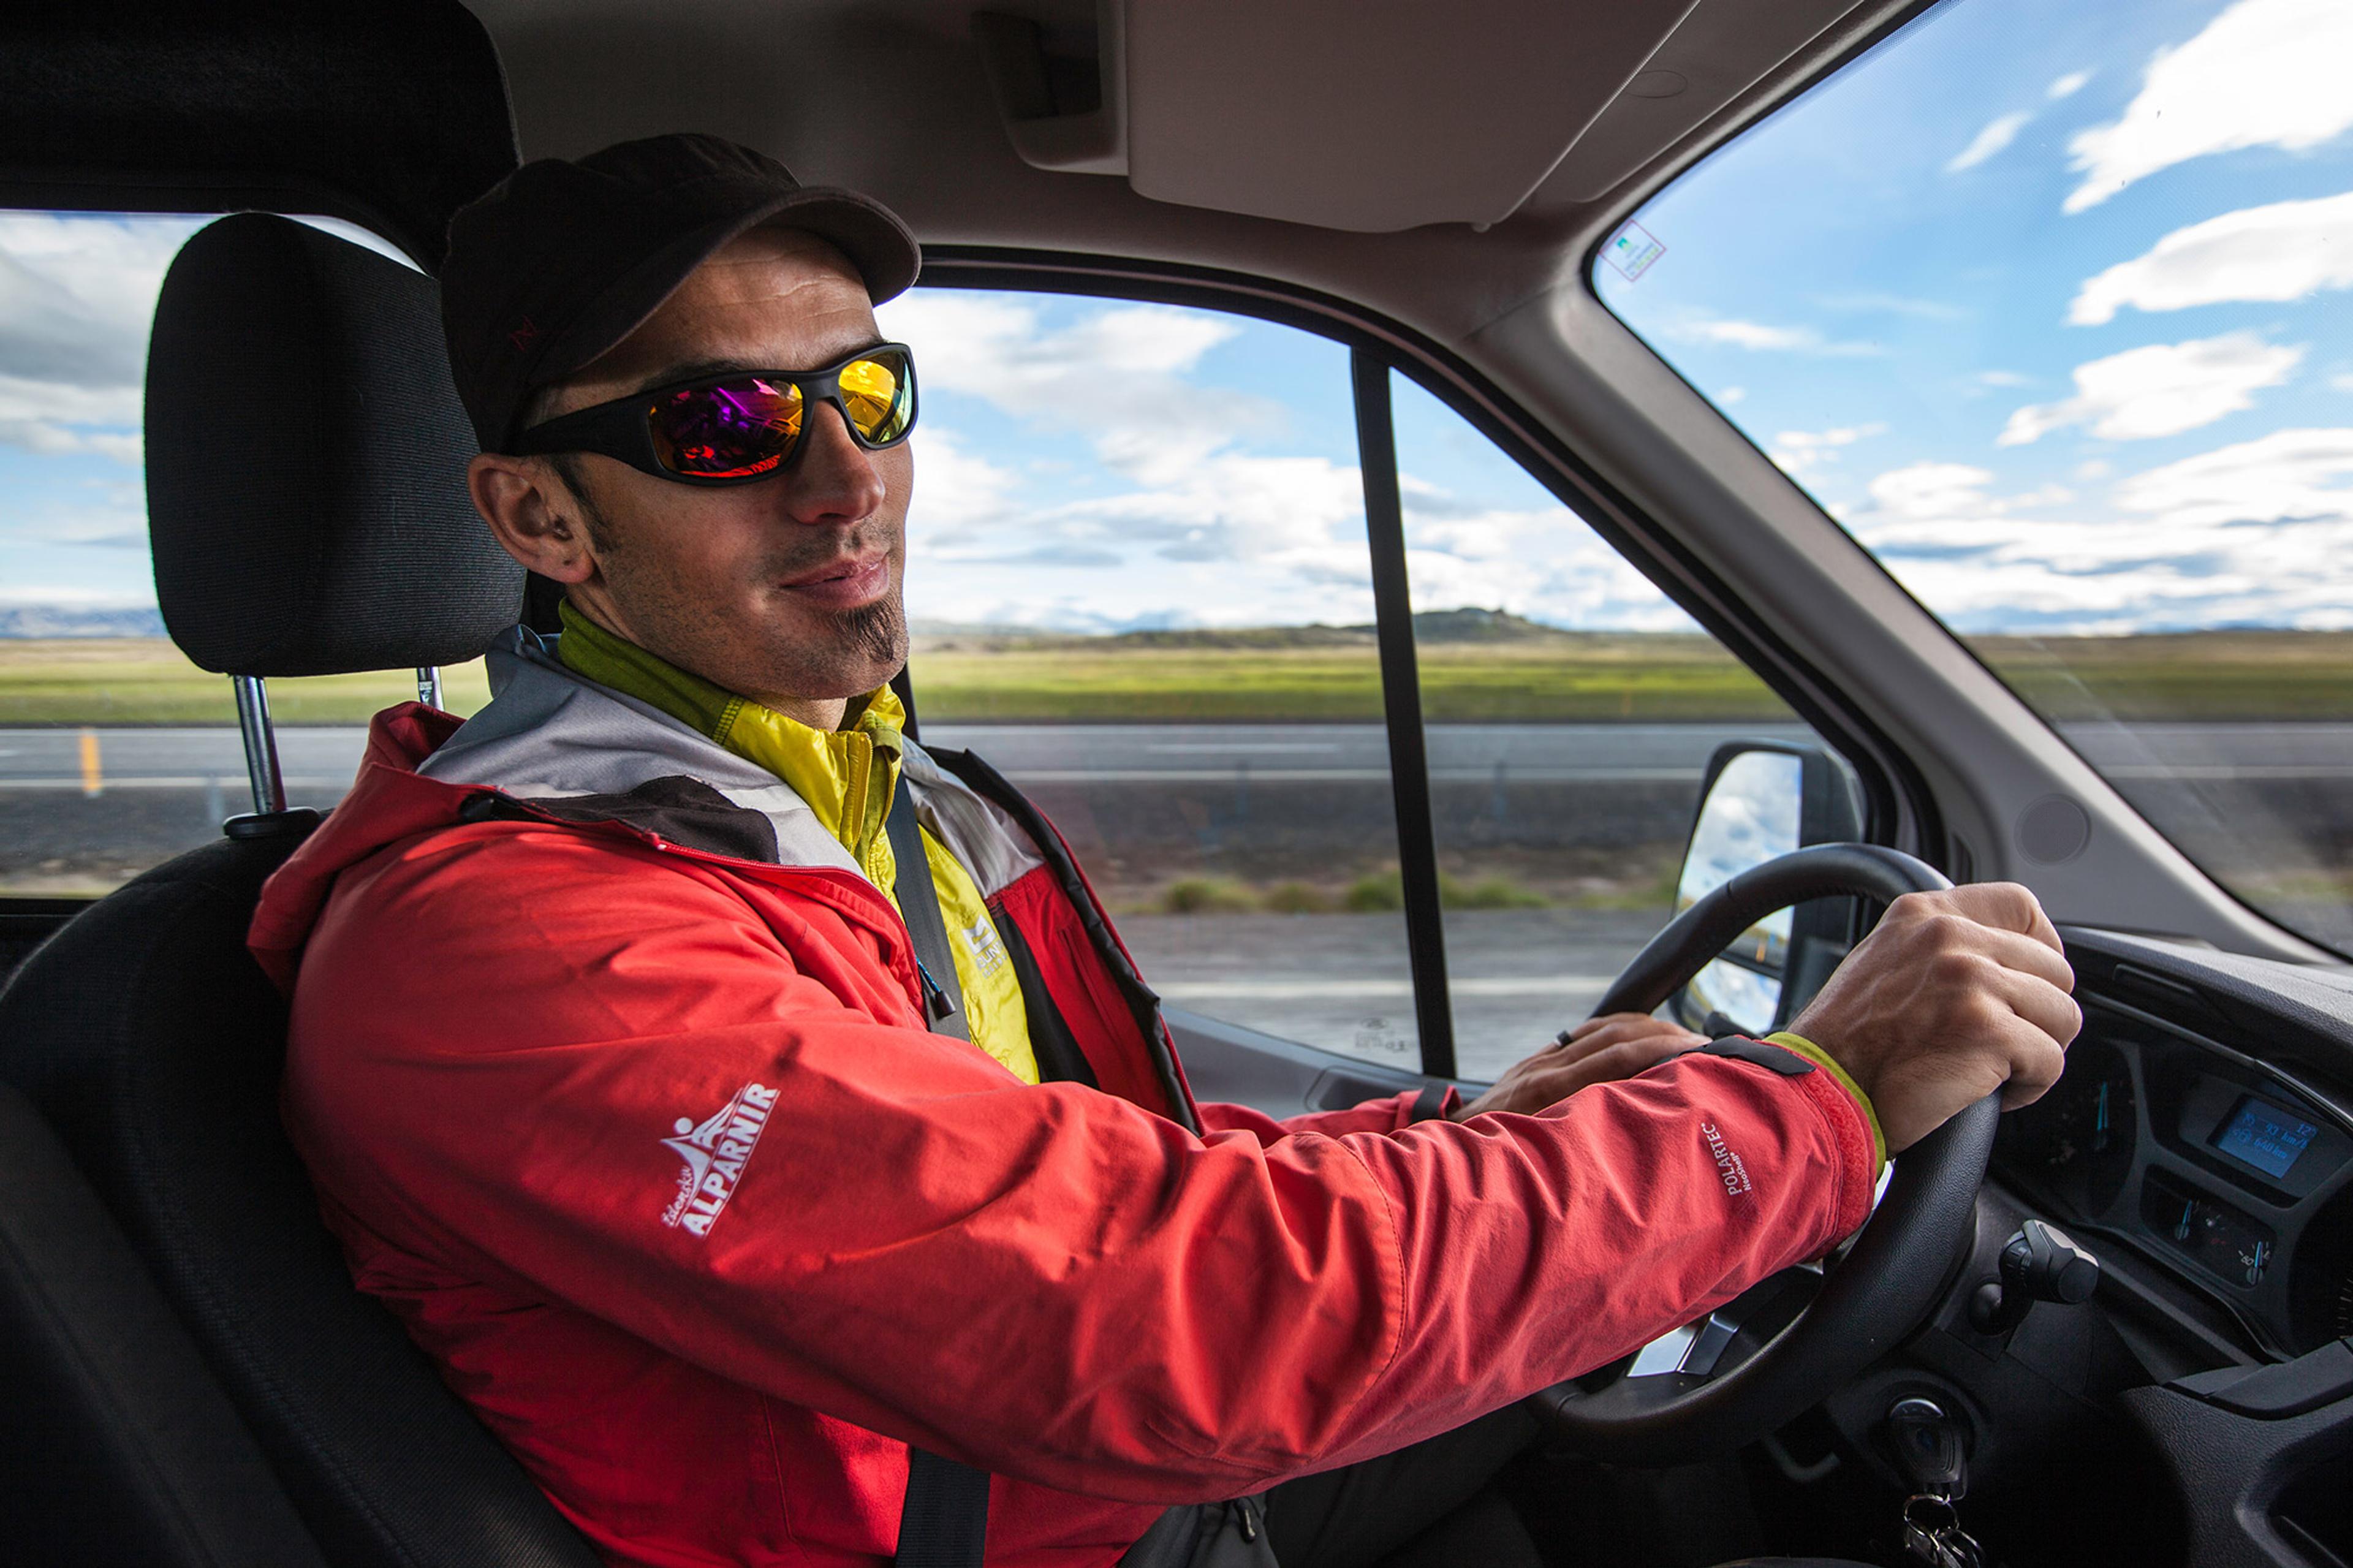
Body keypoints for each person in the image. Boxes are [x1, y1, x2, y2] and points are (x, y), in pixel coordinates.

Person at [251, 134, 2080, 1568]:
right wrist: (1821, 1106)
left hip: (1063, 1495)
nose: (841, 483)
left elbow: (1079, 1173)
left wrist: (1486, 1129)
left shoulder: (842, 789)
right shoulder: (513, 953)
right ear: (538, 514)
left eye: (866, 395)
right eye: (721, 424)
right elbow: (1159, 1318)